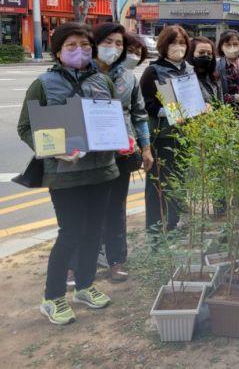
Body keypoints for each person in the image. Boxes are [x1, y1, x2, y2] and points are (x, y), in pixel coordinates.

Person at [17, 22, 117, 325]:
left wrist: (122, 138)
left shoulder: (103, 80)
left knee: (94, 232)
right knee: (70, 233)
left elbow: (113, 117)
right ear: (58, 51)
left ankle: (85, 286)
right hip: (64, 174)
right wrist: (52, 148)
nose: (80, 51)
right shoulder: (43, 84)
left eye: (85, 46)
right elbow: (25, 127)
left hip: (101, 171)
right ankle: (53, 297)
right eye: (71, 46)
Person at [92, 24, 154, 283]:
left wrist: (146, 147)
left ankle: (117, 261)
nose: (115, 49)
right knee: (86, 208)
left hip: (122, 151)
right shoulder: (81, 74)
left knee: (116, 207)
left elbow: (139, 114)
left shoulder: (128, 77)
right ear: (94, 43)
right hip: (89, 153)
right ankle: (79, 261)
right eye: (109, 42)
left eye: (119, 44)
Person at [139, 25, 193, 235]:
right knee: (157, 186)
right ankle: (155, 230)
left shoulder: (188, 69)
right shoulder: (153, 70)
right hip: (161, 137)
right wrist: (170, 112)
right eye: (173, 42)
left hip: (184, 135)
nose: (178, 47)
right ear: (164, 44)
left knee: (178, 182)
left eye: (182, 42)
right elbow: (145, 105)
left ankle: (174, 224)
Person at [215, 30, 239, 105]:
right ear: (221, 47)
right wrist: (234, 98)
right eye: (228, 45)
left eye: (235, 44)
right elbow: (215, 95)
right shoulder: (217, 67)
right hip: (227, 112)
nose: (232, 48)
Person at [188, 36, 223, 103]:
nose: (206, 55)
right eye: (201, 53)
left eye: (209, 53)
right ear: (191, 54)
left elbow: (221, 103)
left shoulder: (215, 77)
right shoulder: (186, 79)